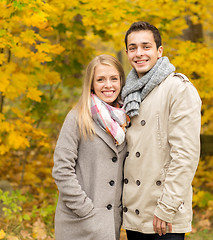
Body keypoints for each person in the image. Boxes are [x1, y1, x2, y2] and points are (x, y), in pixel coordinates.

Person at [121, 21, 202, 240]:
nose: (139, 53)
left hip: (164, 214)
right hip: (134, 212)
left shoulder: (178, 88)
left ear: (159, 51)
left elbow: (185, 155)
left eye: (146, 47)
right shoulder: (127, 93)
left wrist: (166, 207)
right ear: (127, 52)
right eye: (133, 48)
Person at [52, 54, 129, 240]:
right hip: (80, 223)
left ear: (121, 81)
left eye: (114, 79)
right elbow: (62, 170)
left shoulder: (126, 119)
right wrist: (85, 209)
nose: (108, 85)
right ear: (91, 84)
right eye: (100, 79)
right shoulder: (77, 117)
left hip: (110, 223)